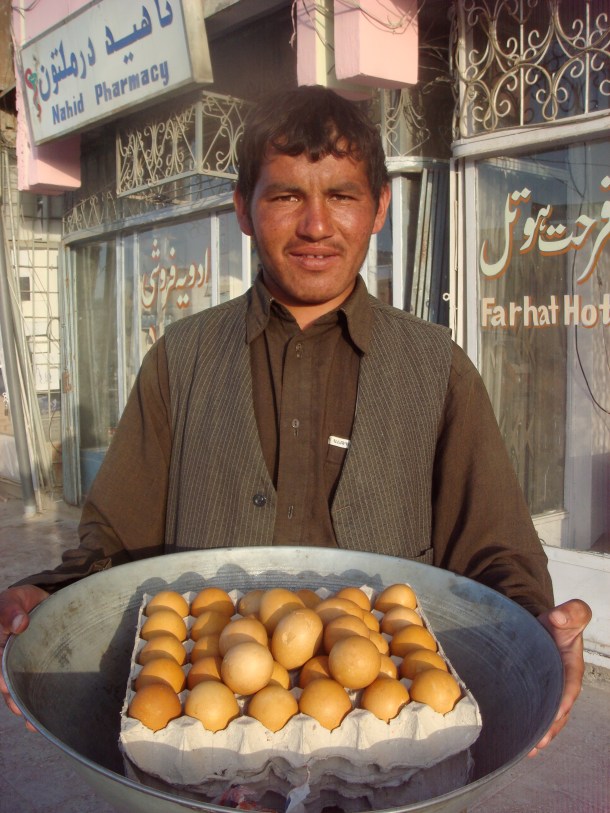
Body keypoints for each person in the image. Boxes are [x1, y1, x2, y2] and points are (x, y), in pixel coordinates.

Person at [0, 85, 591, 754]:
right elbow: (114, 545)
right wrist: (45, 596)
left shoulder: (437, 368)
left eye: (341, 195)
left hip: (384, 756)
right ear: (243, 211)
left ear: (379, 209)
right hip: (208, 757)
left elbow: (496, 552)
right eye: (285, 196)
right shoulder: (181, 360)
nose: (315, 225)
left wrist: (538, 632)